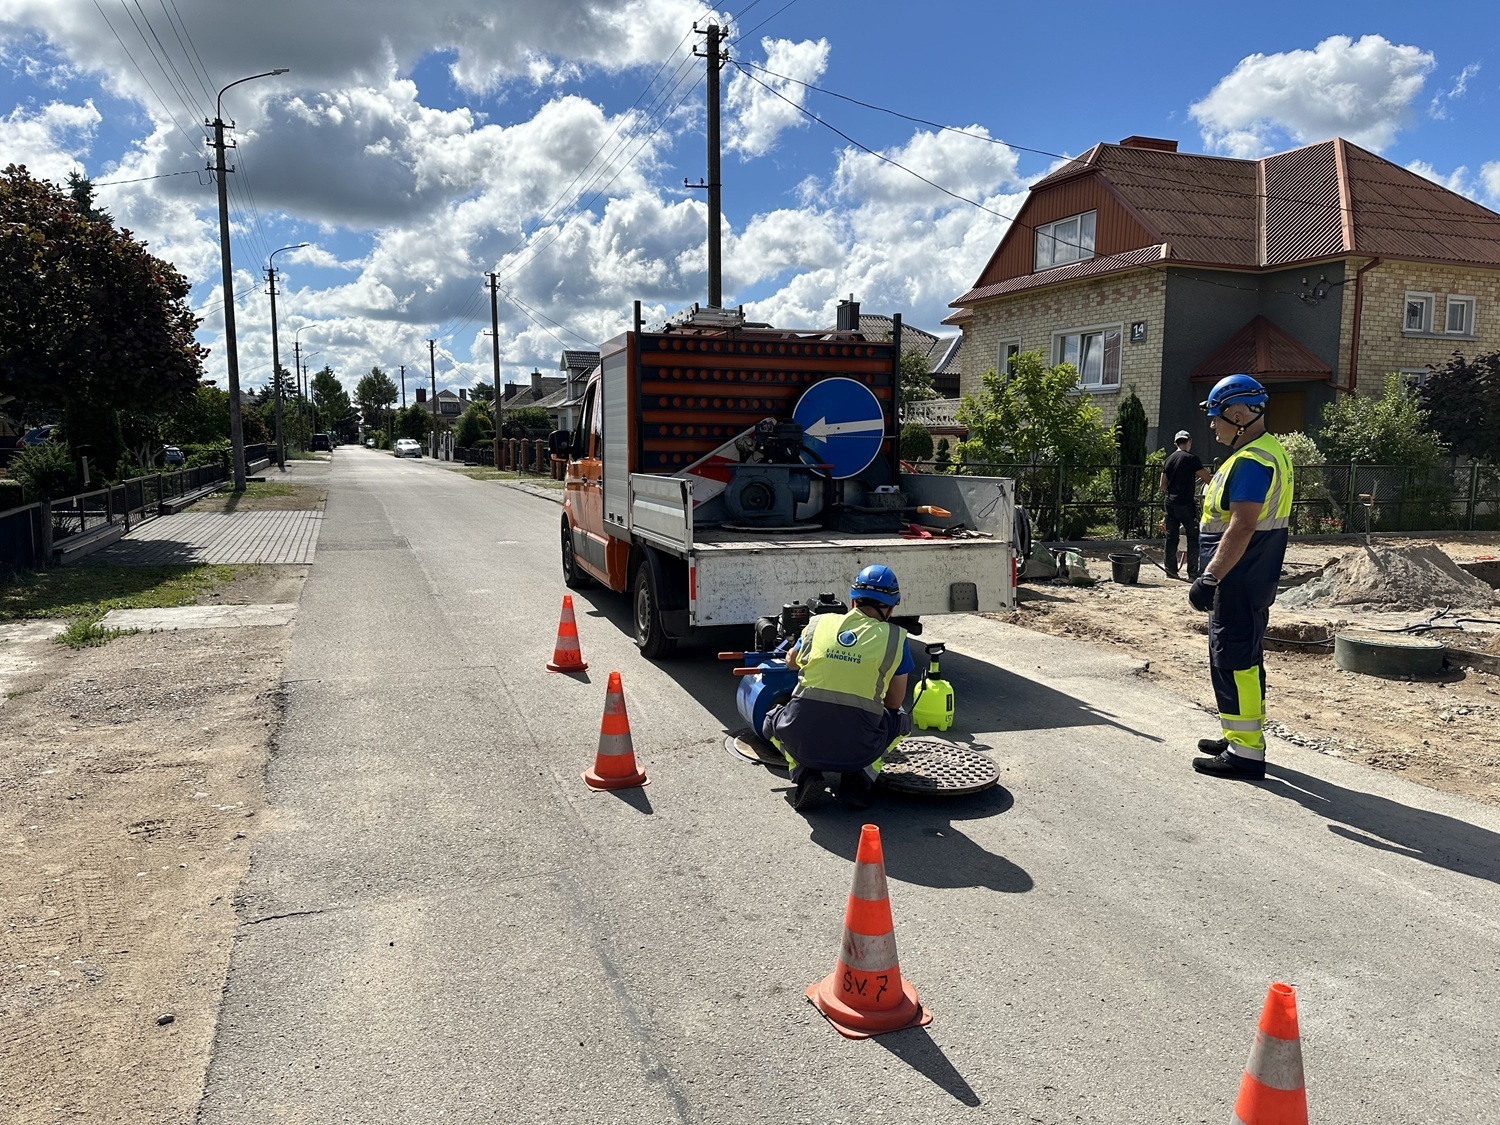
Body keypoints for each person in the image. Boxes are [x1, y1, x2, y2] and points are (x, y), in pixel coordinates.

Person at [1187, 374, 1294, 780]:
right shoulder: (1265, 452)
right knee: (1243, 658)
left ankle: (1246, 753)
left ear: (1237, 415)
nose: (1212, 425)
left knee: (1233, 659)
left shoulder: (1251, 461)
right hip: (1251, 577)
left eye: (1216, 417)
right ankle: (1238, 735)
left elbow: (1242, 526)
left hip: (1237, 577)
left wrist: (1211, 577)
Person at [761, 564, 915, 810]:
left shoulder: (819, 624)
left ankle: (805, 773)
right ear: (891, 606)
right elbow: (894, 702)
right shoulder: (895, 639)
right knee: (902, 721)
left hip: (804, 739)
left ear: (853, 600)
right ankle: (860, 778)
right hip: (859, 747)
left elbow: (791, 661)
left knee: (771, 720)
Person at [1160, 430, 1212, 579]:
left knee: (1171, 537)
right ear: (1189, 441)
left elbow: (1162, 485)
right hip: (1186, 504)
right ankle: (1192, 572)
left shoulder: (1169, 460)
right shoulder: (1192, 459)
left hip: (1170, 502)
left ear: (1175, 443)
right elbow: (1207, 479)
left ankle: (1171, 571)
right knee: (1193, 537)